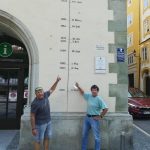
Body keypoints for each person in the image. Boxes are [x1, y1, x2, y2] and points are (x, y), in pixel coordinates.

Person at [31, 76, 61, 150]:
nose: (40, 93)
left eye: (41, 91)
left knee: (47, 138)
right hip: (40, 124)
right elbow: (32, 116)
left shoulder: (45, 95)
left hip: (48, 122)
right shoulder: (35, 103)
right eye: (38, 92)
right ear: (36, 94)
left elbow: (52, 89)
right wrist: (33, 128)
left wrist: (57, 81)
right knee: (38, 140)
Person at [75, 83, 108, 150]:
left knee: (96, 137)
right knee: (84, 135)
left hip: (94, 119)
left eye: (95, 90)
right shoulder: (89, 96)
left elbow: (106, 109)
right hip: (87, 118)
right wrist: (78, 86)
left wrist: (100, 117)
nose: (94, 91)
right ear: (91, 91)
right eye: (92, 90)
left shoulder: (99, 99)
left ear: (97, 91)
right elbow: (82, 93)